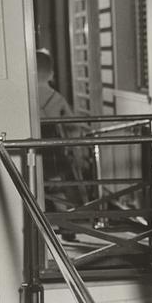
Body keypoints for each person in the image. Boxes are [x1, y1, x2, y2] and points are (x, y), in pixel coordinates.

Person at [36, 49, 90, 213]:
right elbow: (72, 124)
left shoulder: (28, 95)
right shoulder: (56, 97)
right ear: (51, 74)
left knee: (35, 182)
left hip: (34, 140)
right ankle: (65, 221)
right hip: (52, 145)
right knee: (56, 185)